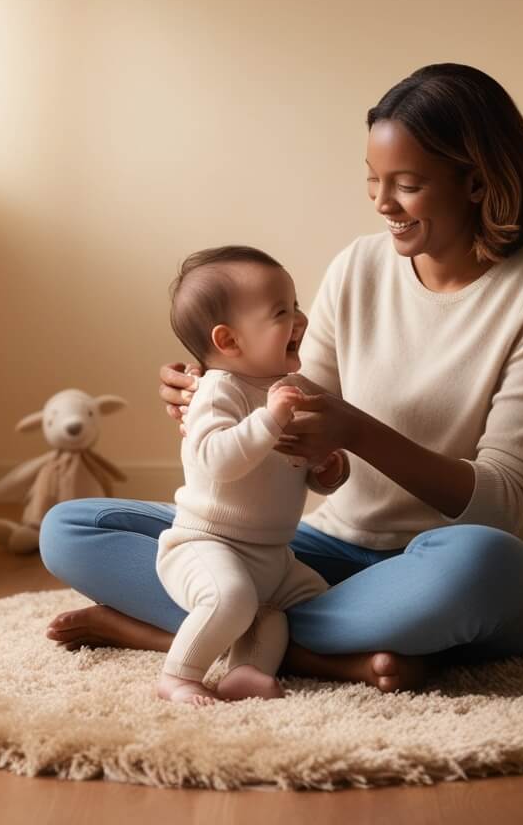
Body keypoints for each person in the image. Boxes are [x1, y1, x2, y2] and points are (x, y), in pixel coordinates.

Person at [40, 62, 523, 695]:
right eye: (373, 179)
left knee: (486, 564)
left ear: (476, 181)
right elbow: (295, 406)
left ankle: (202, 631)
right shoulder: (359, 265)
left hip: (449, 562)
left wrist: (355, 431)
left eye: (407, 184)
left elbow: (504, 503)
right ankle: (320, 652)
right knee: (72, 529)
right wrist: (220, 384)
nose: (382, 203)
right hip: (327, 551)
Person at [154, 246, 350, 706]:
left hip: (273, 553)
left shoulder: (289, 391)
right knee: (231, 599)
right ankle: (178, 676)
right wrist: (270, 419)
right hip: (209, 543)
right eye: (282, 312)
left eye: (296, 304)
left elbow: (300, 469)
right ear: (229, 341)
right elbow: (217, 460)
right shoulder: (217, 390)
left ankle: (247, 671)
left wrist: (327, 468)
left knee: (303, 605)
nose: (300, 320)